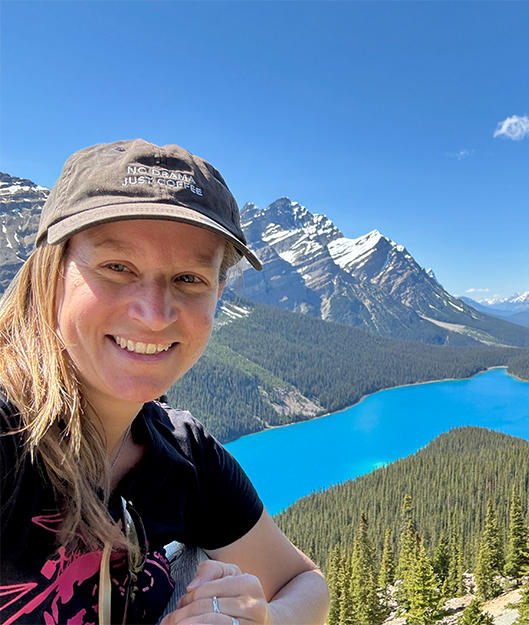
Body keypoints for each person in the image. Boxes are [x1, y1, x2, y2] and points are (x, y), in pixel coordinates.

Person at [0, 140, 330, 624]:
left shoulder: (182, 455)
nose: (154, 316)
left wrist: (262, 620)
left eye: (189, 279)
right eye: (117, 267)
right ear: (53, 272)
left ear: (217, 292)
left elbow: (306, 585)